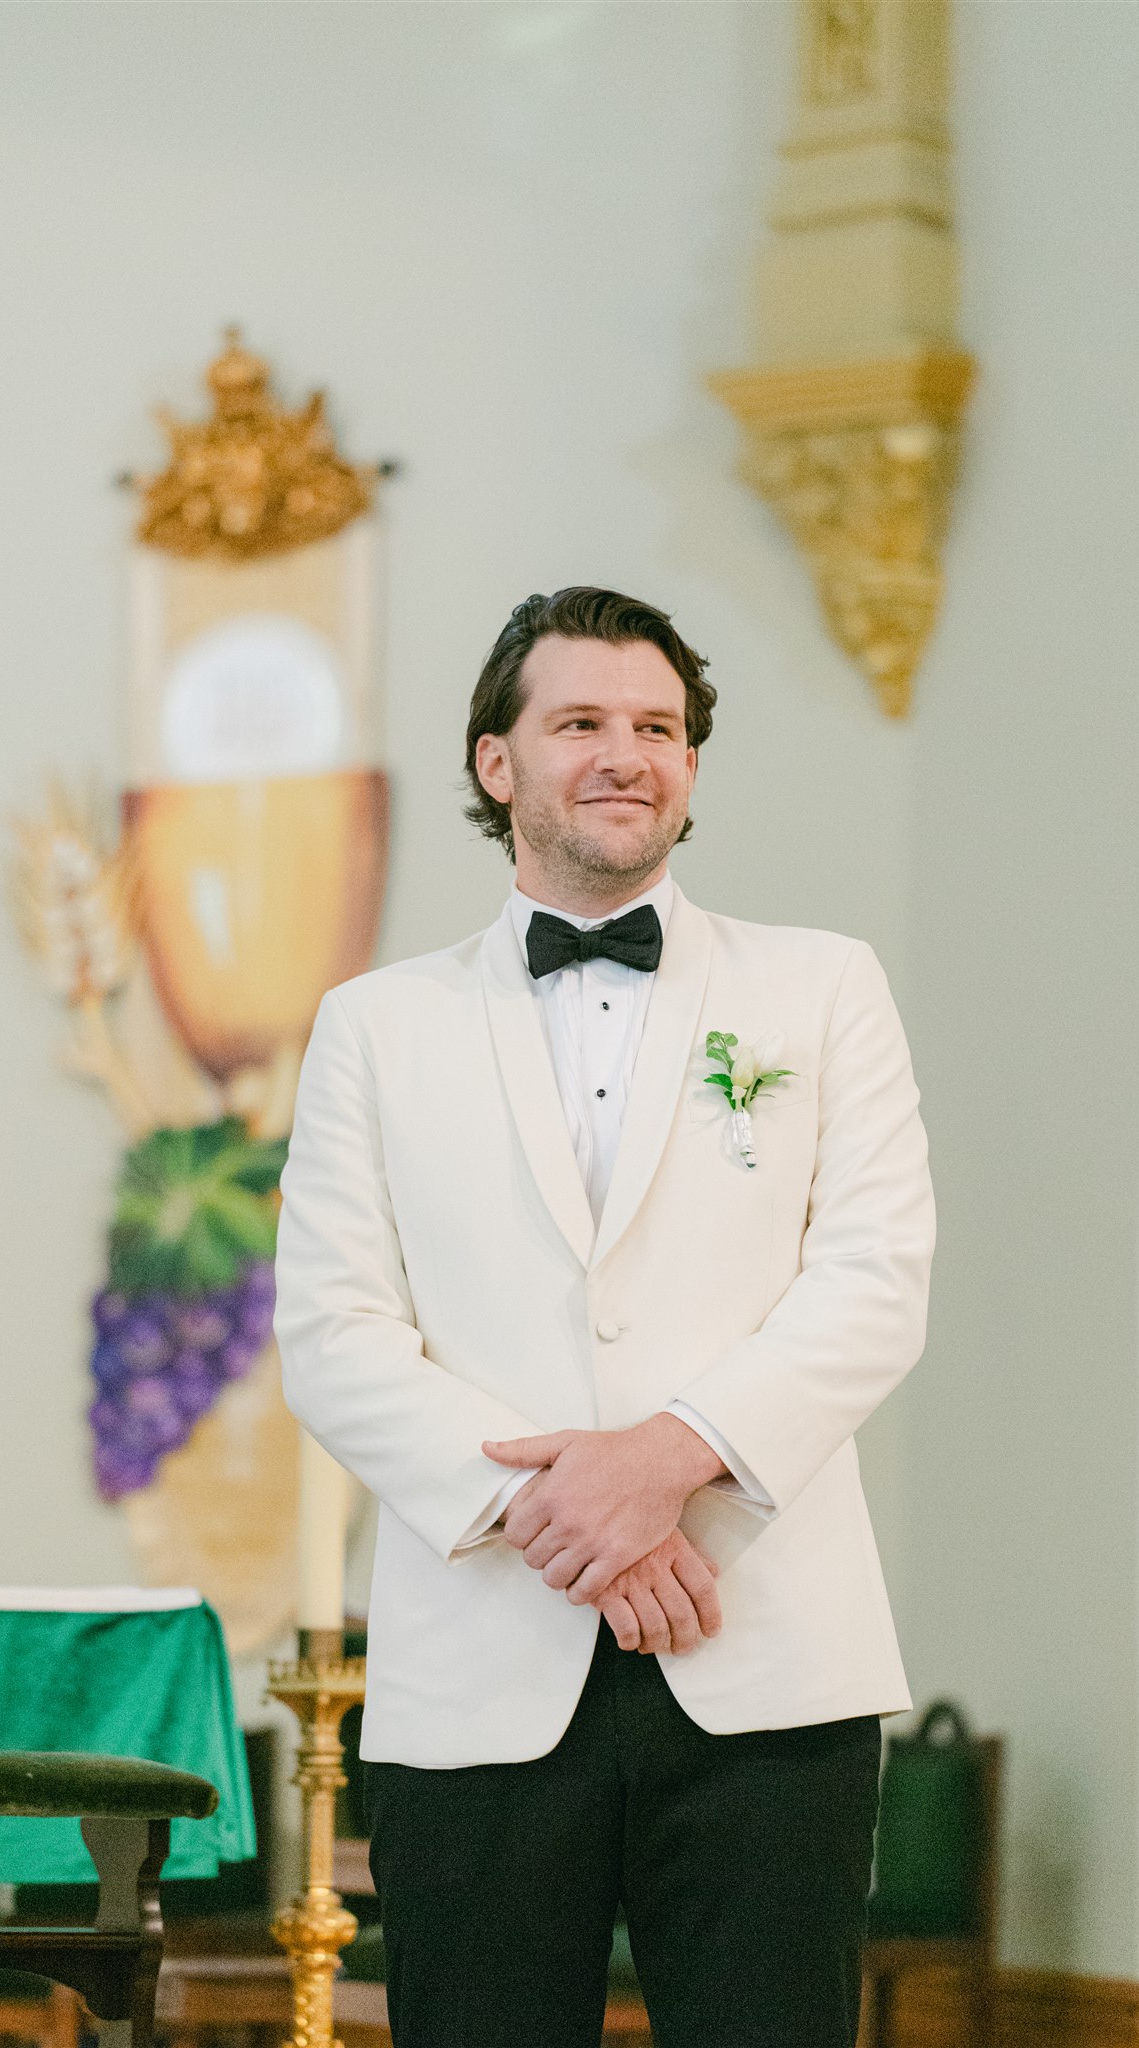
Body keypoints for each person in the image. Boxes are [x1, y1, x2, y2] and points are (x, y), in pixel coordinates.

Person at [274, 586, 936, 2048]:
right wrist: (580, 1515)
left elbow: (875, 1278)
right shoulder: (374, 1026)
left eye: (658, 727)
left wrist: (670, 1459)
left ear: (691, 766)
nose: (625, 753)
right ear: (495, 763)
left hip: (763, 1651)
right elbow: (333, 1331)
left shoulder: (821, 989)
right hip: (484, 1655)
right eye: (579, 722)